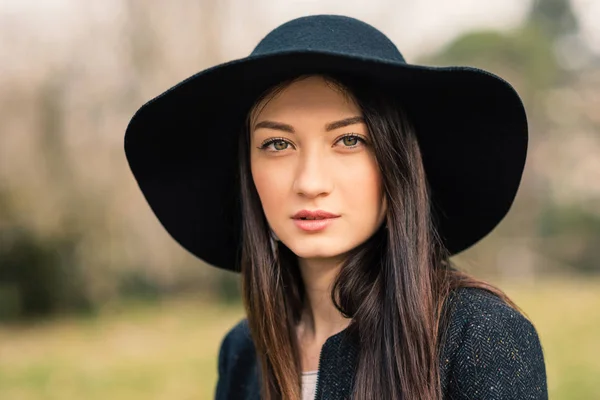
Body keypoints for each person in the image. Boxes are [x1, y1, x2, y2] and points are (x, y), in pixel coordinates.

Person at [124, 15, 548, 400]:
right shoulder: (243, 352)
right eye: (277, 144)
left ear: (396, 161)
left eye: (349, 140)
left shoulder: (478, 337)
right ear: (247, 172)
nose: (310, 183)